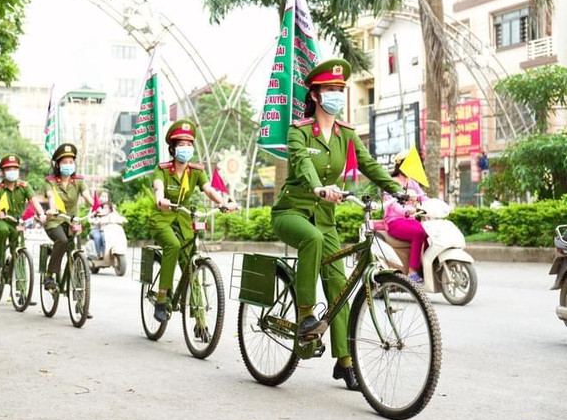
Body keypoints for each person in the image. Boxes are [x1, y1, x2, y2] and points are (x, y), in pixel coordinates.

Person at [270, 58, 403, 392]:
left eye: (339, 90)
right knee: (311, 239)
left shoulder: (345, 134)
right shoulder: (299, 131)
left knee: (339, 287)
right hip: (293, 212)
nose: (335, 95)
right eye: (329, 90)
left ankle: (345, 364)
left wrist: (398, 191)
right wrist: (317, 187)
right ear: (314, 95)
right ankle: (304, 318)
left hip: (326, 220)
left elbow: (369, 164)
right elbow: (301, 163)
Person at [148, 119, 237, 328]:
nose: (185, 149)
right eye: (181, 145)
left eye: (189, 145)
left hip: (184, 219)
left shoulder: (196, 171)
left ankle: (200, 321)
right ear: (173, 147)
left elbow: (208, 189)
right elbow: (158, 187)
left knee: (190, 265)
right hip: (162, 218)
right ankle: (162, 298)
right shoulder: (162, 169)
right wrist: (160, 199)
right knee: (173, 246)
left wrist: (223, 202)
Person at [43, 144, 94, 293]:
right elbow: (51, 196)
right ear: (58, 165)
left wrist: (98, 207)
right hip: (55, 220)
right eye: (65, 162)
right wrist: (52, 209)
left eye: (71, 162)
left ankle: (81, 302)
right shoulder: (50, 181)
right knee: (62, 241)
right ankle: (50, 275)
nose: (68, 165)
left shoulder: (78, 181)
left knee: (77, 252)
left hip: (72, 221)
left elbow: (87, 196)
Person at [0, 154, 46, 269]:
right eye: (8, 169)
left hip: (17, 222)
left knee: (18, 248)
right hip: (2, 220)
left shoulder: (24, 186)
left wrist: (42, 214)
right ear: (2, 172)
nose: (12, 171)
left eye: (15, 169)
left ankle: (21, 282)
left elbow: (34, 201)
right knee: (2, 230)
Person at [383, 152, 429, 283]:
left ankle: (425, 268)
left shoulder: (412, 182)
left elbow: (423, 197)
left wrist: (436, 205)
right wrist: (406, 211)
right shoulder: (391, 183)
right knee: (418, 233)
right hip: (394, 221)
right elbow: (394, 206)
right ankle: (413, 272)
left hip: (411, 220)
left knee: (429, 233)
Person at [89, 192, 110, 260]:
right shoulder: (94, 208)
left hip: (107, 229)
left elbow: (115, 215)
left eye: (105, 196)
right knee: (98, 237)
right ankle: (99, 254)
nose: (103, 198)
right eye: (102, 196)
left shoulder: (110, 207)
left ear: (108, 198)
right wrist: (94, 221)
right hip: (96, 229)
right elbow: (89, 218)